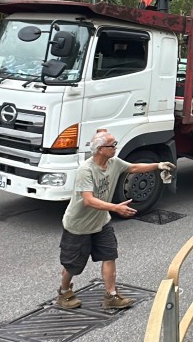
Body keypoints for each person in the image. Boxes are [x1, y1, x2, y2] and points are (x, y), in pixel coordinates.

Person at [56, 129, 176, 310]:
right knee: (73, 266)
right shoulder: (86, 171)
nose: (115, 147)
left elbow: (134, 167)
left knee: (109, 256)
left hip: (101, 222)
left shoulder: (113, 163)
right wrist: (116, 208)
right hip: (78, 225)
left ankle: (111, 296)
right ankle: (64, 291)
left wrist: (158, 165)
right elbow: (88, 200)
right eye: (112, 145)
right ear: (100, 149)